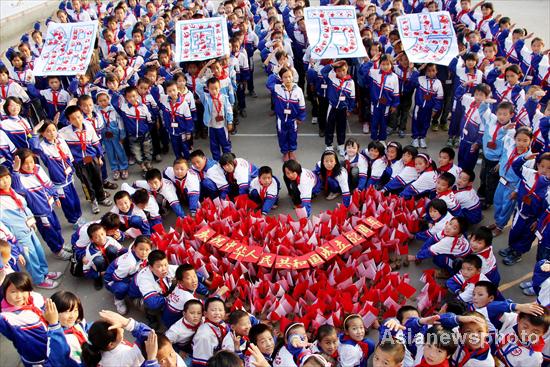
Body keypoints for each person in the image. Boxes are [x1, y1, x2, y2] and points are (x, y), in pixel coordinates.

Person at [0, 166, 58, 288]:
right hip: (19, 234)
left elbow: (24, 207)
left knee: (39, 251)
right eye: (1, 179)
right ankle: (38, 279)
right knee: (31, 258)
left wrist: (31, 219)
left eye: (7, 177)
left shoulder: (11, 191)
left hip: (28, 227)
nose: (6, 181)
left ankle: (45, 273)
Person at [11, 150, 70, 259]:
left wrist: (55, 197)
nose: (30, 166)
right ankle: (58, 250)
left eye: (31, 161)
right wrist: (15, 171)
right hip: (39, 212)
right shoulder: (19, 178)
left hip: (49, 206)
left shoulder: (37, 168)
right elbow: (18, 188)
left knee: (56, 226)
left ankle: (61, 244)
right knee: (49, 232)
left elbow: (49, 184)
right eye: (25, 163)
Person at [59, 105, 112, 214]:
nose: (77, 120)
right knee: (86, 182)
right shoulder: (64, 132)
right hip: (79, 162)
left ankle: (101, 197)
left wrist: (99, 156)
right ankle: (93, 200)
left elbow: (95, 142)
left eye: (78, 117)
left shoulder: (88, 126)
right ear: (68, 120)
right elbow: (55, 131)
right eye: (73, 119)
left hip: (92, 158)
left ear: (82, 116)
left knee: (98, 178)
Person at [0, 272, 51, 366]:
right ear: (4, 293)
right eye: (13, 292)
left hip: (52, 345)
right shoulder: (6, 318)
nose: (19, 296)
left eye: (23, 290)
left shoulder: (36, 298)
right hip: (35, 357)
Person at [80, 310, 151, 367]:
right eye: (119, 327)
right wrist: (127, 323)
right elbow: (150, 336)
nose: (122, 328)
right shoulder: (127, 356)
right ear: (110, 344)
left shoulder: (97, 352)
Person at [104, 235, 153, 315]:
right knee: (122, 288)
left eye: (147, 250)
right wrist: (132, 280)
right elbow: (116, 277)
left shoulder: (142, 255)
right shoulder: (130, 262)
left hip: (127, 273)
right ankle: (118, 299)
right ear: (134, 248)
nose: (144, 253)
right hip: (111, 280)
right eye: (141, 249)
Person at [266, 66, 306, 161]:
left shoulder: (298, 90)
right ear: (281, 79)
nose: (288, 79)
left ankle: (291, 151)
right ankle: (285, 152)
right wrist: (275, 73)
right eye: (285, 77)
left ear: (292, 77)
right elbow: (268, 84)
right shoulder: (277, 88)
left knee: (293, 135)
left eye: (289, 76)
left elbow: (302, 105)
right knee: (282, 136)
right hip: (281, 119)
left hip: (293, 119)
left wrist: (300, 118)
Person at [45, 291, 90, 367]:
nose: (72, 316)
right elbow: (58, 359)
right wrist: (54, 325)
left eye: (75, 310)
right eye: (67, 311)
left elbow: (86, 329)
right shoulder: (54, 339)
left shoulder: (78, 322)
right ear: (54, 313)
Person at [321, 60, 356, 155]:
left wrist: (350, 109)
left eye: (343, 70)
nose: (341, 73)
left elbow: (352, 97)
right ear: (335, 71)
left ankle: (341, 145)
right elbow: (323, 71)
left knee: (341, 127)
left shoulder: (351, 82)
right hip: (332, 107)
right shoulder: (332, 78)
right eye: (339, 71)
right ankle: (329, 145)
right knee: (329, 126)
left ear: (347, 69)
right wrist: (332, 65)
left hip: (343, 108)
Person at [195, 77, 234, 161]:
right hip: (212, 127)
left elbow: (229, 109)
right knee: (214, 145)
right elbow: (198, 88)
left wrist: (230, 121)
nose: (214, 91)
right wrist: (204, 80)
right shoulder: (206, 98)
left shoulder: (224, 97)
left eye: (216, 88)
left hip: (223, 126)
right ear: (207, 89)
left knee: (225, 144)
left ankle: (227, 160)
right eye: (211, 89)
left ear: (219, 87)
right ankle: (217, 161)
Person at [192, 297, 228, 366]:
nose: (217, 313)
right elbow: (201, 363)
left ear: (225, 313)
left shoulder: (220, 323)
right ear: (205, 314)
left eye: (220, 310)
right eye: (213, 310)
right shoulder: (204, 335)